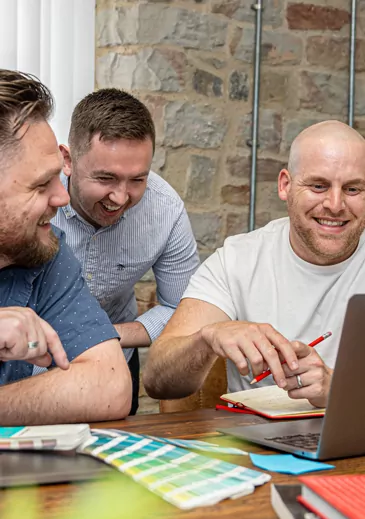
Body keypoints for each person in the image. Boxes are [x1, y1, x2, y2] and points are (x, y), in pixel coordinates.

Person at [143, 120, 365, 409]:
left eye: (353, 189)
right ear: (285, 185)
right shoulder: (237, 260)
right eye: (318, 186)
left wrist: (340, 389)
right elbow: (157, 380)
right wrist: (206, 338)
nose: (335, 205)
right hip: (253, 445)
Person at [52, 88, 199, 415]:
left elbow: (183, 309)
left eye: (137, 180)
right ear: (68, 160)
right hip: (27, 362)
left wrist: (105, 336)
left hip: (114, 361)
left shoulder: (166, 210)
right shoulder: (30, 196)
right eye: (105, 178)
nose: (120, 197)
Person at [0, 69, 132, 425]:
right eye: (41, 184)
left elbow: (110, 386)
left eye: (58, 177)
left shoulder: (44, 252)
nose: (61, 197)